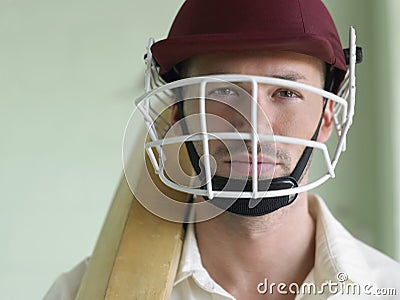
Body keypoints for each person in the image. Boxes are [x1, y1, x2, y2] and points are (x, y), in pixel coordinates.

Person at [45, 0, 400, 299]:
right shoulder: (80, 293)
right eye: (222, 91)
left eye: (286, 93)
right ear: (177, 115)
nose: (254, 129)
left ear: (326, 118)